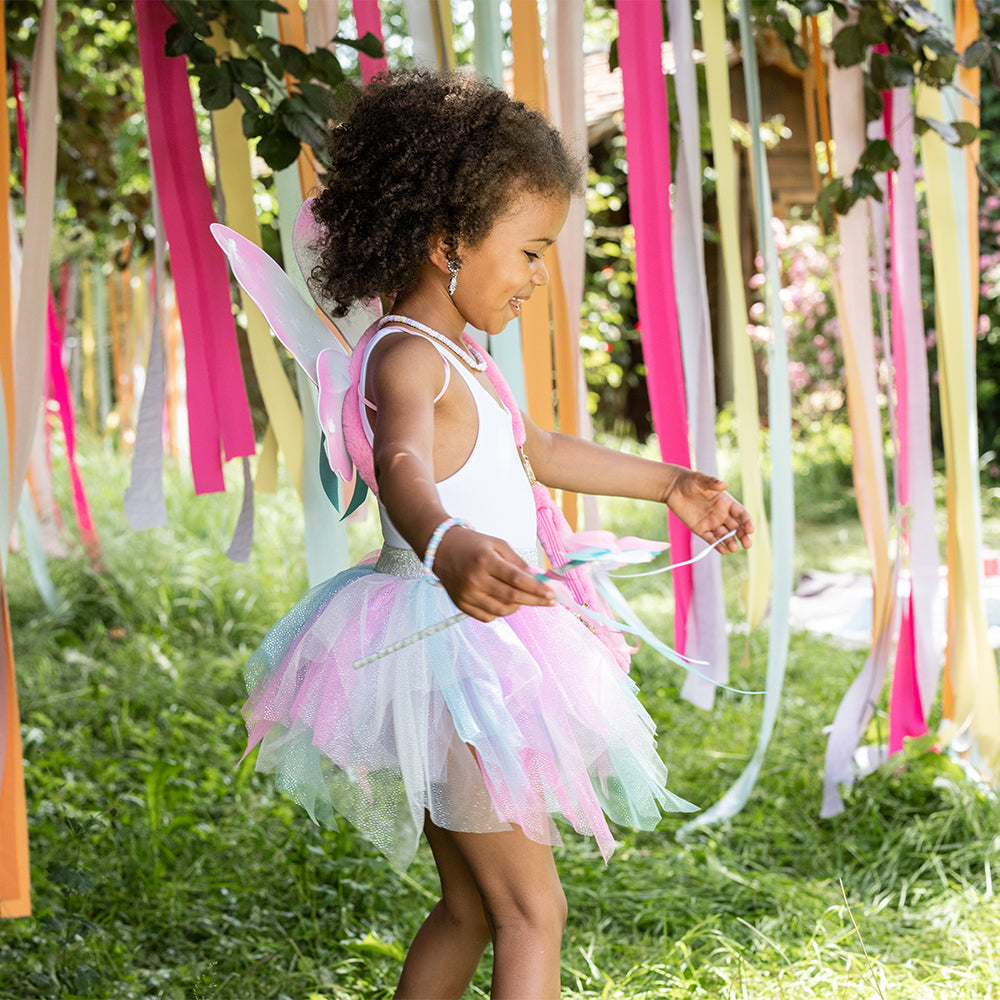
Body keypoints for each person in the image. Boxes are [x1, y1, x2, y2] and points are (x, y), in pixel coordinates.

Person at [240, 69, 753, 1000]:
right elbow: (402, 467)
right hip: (454, 663)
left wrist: (672, 482)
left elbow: (539, 448)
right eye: (529, 251)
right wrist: (444, 543)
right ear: (447, 243)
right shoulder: (405, 356)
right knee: (531, 913)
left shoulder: (462, 356)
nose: (535, 276)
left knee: (475, 909)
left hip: (464, 658)